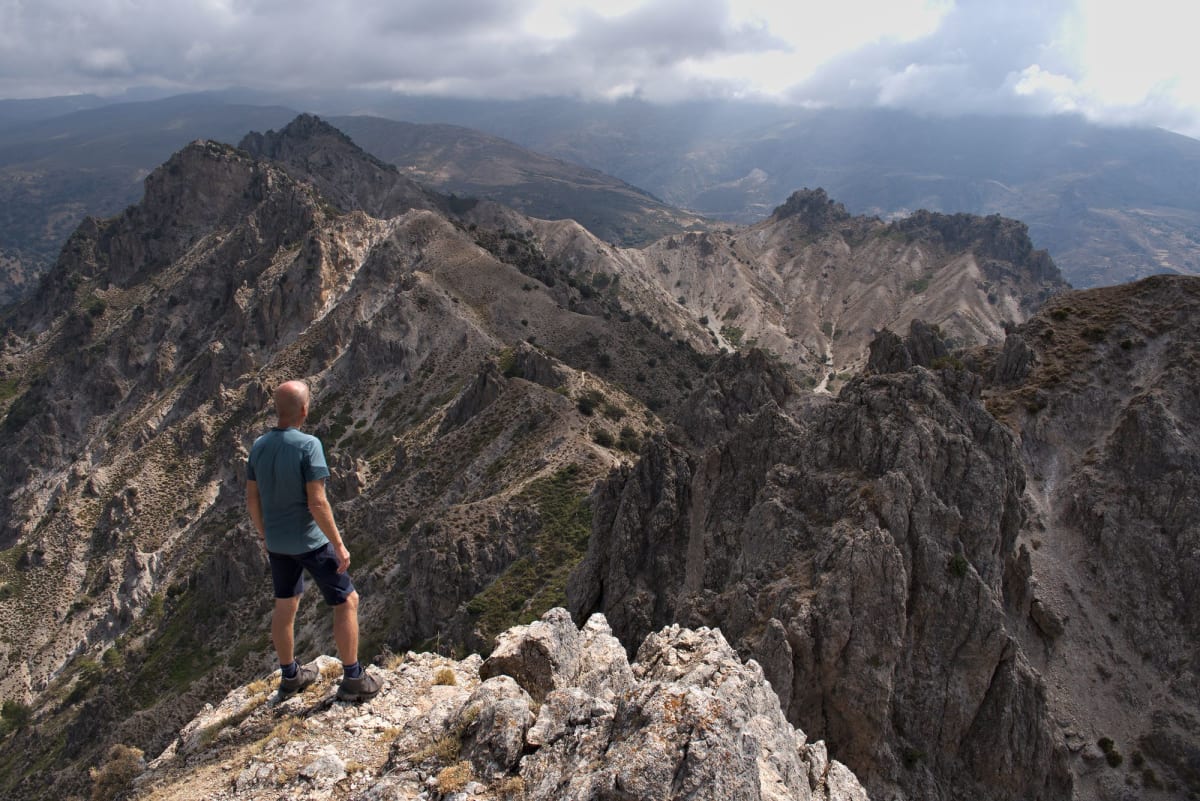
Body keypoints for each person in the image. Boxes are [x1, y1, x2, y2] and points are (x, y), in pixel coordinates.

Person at [245, 380, 381, 702]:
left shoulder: (258, 446)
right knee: (347, 600)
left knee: (285, 605)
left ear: (277, 410)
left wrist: (265, 534)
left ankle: (290, 676)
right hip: (311, 542)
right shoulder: (309, 445)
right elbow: (317, 502)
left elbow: (252, 499)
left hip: (277, 543)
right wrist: (338, 543)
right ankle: (353, 678)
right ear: (304, 410)